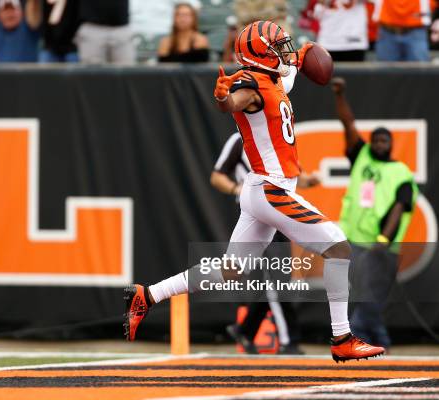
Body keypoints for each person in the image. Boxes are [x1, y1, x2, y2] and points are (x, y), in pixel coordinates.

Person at [124, 20, 385, 363]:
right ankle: (342, 337)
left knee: (232, 269)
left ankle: (147, 295)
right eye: (278, 46)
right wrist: (222, 98)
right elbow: (234, 102)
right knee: (338, 247)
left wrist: (304, 53)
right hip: (270, 188)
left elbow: (295, 70)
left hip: (262, 189)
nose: (286, 51)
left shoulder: (274, 77)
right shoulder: (251, 84)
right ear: (261, 53)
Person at [212, 131, 320, 355]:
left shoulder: (277, 135)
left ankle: (246, 329)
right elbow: (217, 176)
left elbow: (292, 171)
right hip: (255, 212)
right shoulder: (238, 139)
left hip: (279, 207)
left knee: (278, 276)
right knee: (275, 278)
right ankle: (288, 340)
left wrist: (308, 180)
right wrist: (236, 188)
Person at [331, 77, 417, 350]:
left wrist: (384, 239)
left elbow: (400, 207)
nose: (379, 144)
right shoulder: (362, 156)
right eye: (376, 140)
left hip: (382, 247)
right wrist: (341, 96)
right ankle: (381, 342)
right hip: (355, 241)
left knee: (370, 298)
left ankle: (361, 338)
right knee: (365, 296)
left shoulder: (401, 172)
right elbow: (348, 124)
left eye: (384, 140)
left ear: (391, 144)